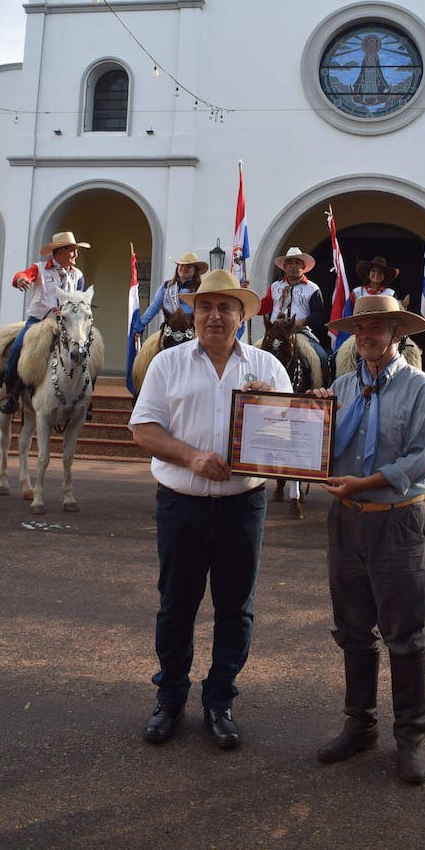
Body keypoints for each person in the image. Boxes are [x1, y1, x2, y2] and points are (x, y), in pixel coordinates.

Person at [129, 268, 292, 751]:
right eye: (205, 306)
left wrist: (291, 412)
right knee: (176, 605)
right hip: (182, 505)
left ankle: (220, 701)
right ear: (193, 312)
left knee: (235, 609)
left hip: (244, 506)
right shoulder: (167, 364)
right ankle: (170, 699)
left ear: (242, 316)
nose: (214, 316)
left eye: (225, 307)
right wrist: (193, 457)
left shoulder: (268, 368)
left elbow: (294, 441)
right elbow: (144, 430)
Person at [312, 295, 425, 785]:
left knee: (404, 635)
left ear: (396, 333)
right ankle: (359, 725)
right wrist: (304, 418)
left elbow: (420, 463)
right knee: (351, 629)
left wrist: (364, 484)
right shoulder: (341, 385)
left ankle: (410, 737)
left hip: (396, 521)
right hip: (345, 521)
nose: (365, 334)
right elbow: (316, 448)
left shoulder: (421, 388)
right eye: (359, 327)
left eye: (376, 327)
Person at [0, 230, 90, 415]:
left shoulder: (78, 275)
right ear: (60, 251)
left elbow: (80, 300)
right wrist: (22, 280)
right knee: (16, 349)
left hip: (67, 325)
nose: (76, 254)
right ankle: (12, 393)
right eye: (73, 250)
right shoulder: (39, 268)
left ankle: (86, 399)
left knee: (89, 350)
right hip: (38, 322)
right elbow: (22, 276)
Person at [259, 245, 328, 377]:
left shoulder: (312, 288)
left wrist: (303, 322)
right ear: (284, 267)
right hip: (275, 333)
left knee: (321, 358)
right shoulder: (275, 286)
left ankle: (317, 391)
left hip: (300, 332)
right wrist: (247, 292)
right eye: (290, 263)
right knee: (256, 352)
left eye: (297, 263)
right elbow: (263, 307)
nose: (293, 266)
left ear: (303, 267)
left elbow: (319, 314)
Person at [135, 252, 208, 332]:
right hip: (168, 328)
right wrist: (141, 325)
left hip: (192, 328)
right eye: (181, 265)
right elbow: (154, 307)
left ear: (195, 270)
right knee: (150, 344)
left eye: (188, 266)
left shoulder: (200, 288)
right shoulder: (166, 286)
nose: (184, 268)